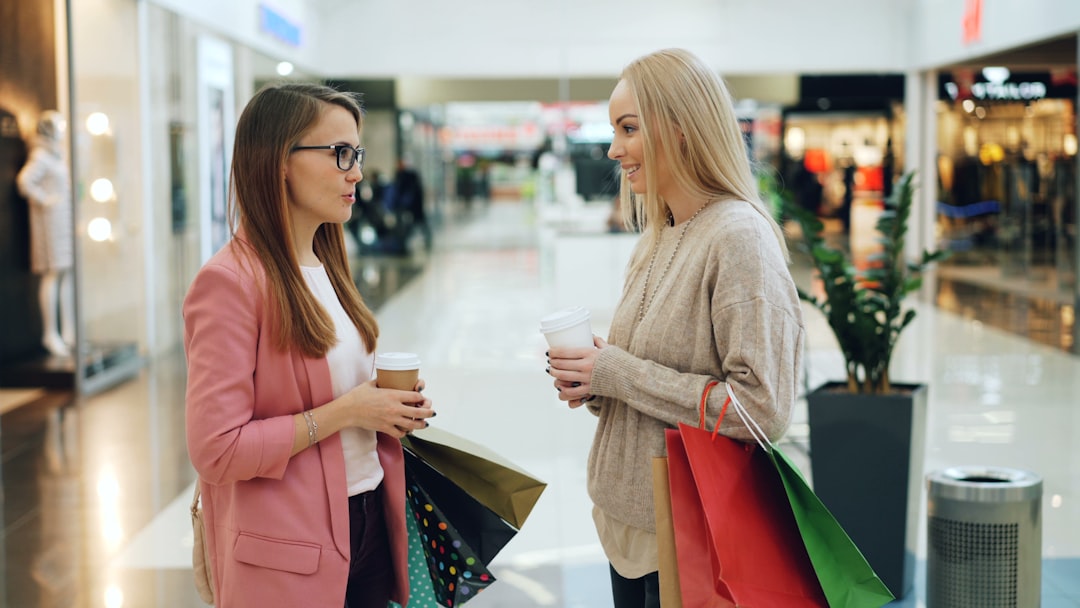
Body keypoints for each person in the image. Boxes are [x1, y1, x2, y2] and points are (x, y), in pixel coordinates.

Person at [546, 48, 805, 608]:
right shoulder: (657, 235)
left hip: (690, 537)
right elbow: (644, 375)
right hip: (629, 528)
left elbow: (762, 409)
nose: (614, 149)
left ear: (681, 128)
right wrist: (596, 379)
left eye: (629, 128)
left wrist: (617, 372)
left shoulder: (738, 238)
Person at [184, 82, 435, 608]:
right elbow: (216, 450)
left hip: (367, 519)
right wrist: (347, 411)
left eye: (357, 154)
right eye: (340, 153)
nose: (356, 173)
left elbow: (332, 390)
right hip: (288, 548)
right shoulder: (230, 283)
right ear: (279, 160)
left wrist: (385, 406)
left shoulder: (328, 264)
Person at [17, 110, 74, 358]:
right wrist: (45, 200)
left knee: (66, 273)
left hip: (64, 220)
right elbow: (24, 181)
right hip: (50, 222)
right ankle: (51, 333)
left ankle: (69, 331)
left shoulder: (57, 155)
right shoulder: (40, 156)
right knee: (53, 273)